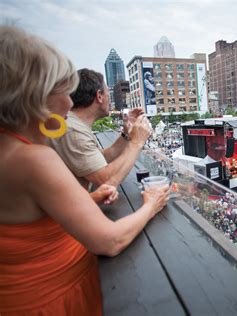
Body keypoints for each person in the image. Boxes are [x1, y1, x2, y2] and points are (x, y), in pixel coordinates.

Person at [0, 25, 169, 315]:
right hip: (52, 299)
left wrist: (86, 201)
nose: (69, 102)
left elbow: (29, 218)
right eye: (63, 91)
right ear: (33, 94)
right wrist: (152, 204)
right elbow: (110, 241)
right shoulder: (33, 159)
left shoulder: (12, 150)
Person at [49, 68, 153, 189]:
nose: (110, 101)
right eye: (108, 95)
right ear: (99, 96)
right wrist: (137, 142)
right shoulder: (73, 131)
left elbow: (101, 160)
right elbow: (106, 181)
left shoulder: (75, 125)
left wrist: (126, 134)